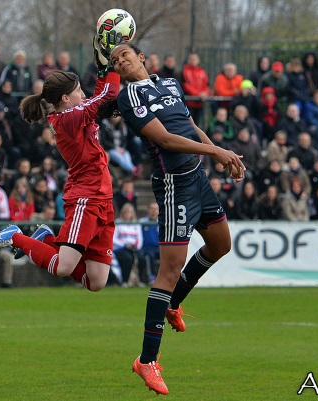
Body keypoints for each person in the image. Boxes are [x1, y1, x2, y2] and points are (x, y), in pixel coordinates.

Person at [110, 42, 245, 395]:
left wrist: (216, 153)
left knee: (221, 245)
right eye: (114, 60)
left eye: (125, 54)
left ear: (141, 57)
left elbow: (186, 126)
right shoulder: (128, 99)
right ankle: (147, 360)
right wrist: (217, 149)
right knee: (169, 270)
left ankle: (173, 303)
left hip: (198, 177)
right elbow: (167, 140)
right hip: (174, 185)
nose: (120, 60)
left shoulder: (170, 84)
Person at [0, 35, 122, 292]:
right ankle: (14, 236)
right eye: (78, 90)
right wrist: (111, 64)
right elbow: (109, 96)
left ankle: (44, 237)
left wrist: (103, 69)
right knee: (63, 267)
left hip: (103, 196)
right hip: (86, 197)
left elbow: (102, 95)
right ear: (66, 99)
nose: (83, 93)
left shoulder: (73, 111)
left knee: (97, 281)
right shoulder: (68, 118)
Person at [111, 203, 148, 287]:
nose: (128, 214)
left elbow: (140, 238)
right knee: (127, 258)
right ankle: (125, 281)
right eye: (126, 212)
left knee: (142, 258)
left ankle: (140, 280)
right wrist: (125, 244)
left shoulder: (136, 224)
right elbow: (114, 238)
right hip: (121, 248)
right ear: (123, 213)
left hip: (134, 247)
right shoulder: (117, 223)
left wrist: (135, 246)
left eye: (130, 212)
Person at [181, 52, 210, 127]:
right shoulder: (185, 72)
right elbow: (186, 85)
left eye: (195, 59)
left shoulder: (202, 72)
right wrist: (198, 94)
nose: (193, 60)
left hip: (200, 103)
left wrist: (205, 93)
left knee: (198, 124)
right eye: (191, 59)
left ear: (198, 60)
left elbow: (206, 85)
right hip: (189, 103)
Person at [139, 201, 160, 285]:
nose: (154, 211)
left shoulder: (162, 222)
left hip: (159, 248)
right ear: (148, 210)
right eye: (152, 209)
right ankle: (151, 277)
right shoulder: (142, 222)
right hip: (147, 248)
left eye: (155, 209)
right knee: (149, 256)